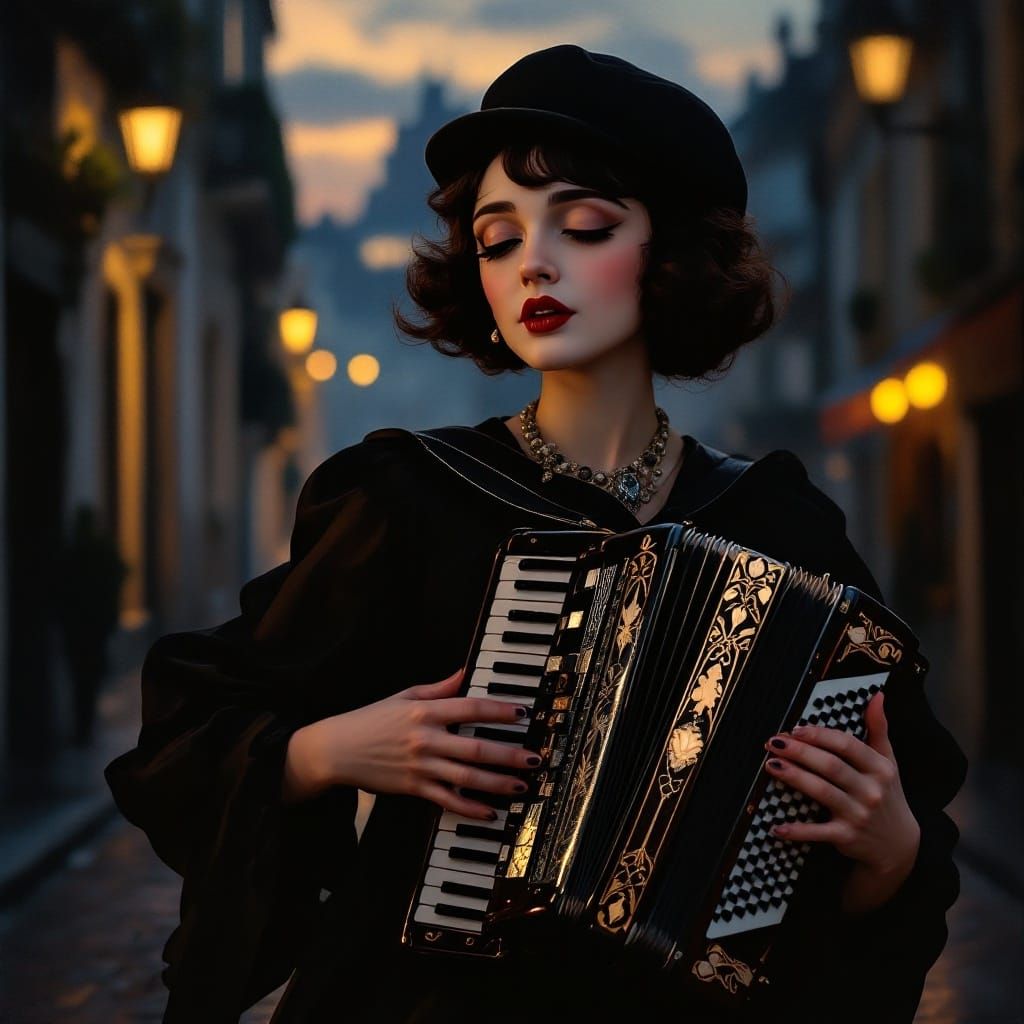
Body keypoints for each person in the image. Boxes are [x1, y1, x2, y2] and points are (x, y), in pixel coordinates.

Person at [104, 45, 966, 1024]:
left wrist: (890, 854)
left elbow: (886, 831)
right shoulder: (410, 502)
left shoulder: (778, 523)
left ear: (673, 253)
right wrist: (331, 749)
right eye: (497, 238)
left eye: (585, 226)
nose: (534, 264)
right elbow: (188, 735)